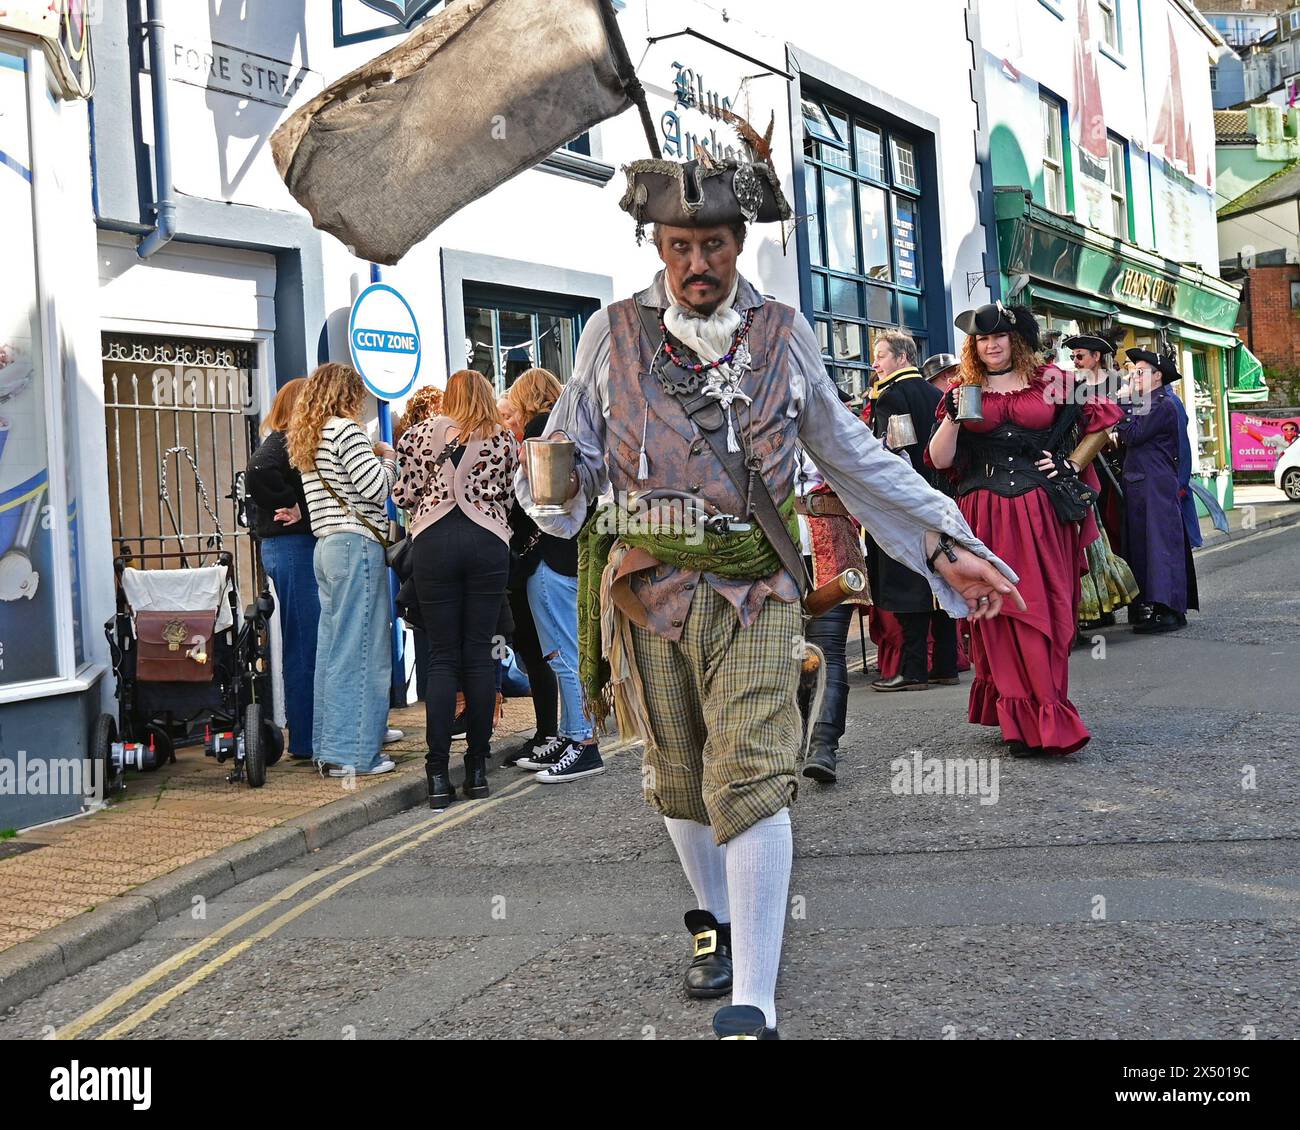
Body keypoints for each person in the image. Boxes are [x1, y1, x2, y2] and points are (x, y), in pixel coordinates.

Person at [517, 145, 1020, 1039]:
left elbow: (850, 454)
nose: (696, 264)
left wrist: (944, 544)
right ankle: (711, 922)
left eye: (712, 243)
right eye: (678, 245)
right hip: (646, 591)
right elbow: (572, 457)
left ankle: (756, 998)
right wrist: (550, 486)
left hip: (760, 586)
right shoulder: (610, 332)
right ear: (657, 243)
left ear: (738, 240)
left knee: (750, 774)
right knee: (677, 776)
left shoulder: (786, 333)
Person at [928, 302, 1119, 758]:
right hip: (984, 514)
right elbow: (940, 460)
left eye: (999, 336)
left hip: (1040, 511)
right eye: (981, 339)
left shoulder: (1052, 381)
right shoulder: (963, 389)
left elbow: (1104, 425)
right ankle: (1018, 722)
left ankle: (1050, 710)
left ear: (1016, 339)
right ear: (973, 346)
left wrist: (1071, 463)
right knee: (996, 611)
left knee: (1044, 608)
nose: (991, 345)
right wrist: (954, 416)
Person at [394, 369, 518, 809]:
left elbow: (404, 495)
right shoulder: (504, 439)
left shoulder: (417, 435)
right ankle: (478, 770)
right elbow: (508, 494)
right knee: (481, 655)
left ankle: (436, 777)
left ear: (450, 396)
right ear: (486, 394)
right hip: (488, 543)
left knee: (442, 657)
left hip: (434, 542)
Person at [288, 363, 398, 778]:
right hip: (356, 547)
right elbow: (375, 488)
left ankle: (331, 750)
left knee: (334, 652)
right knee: (364, 651)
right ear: (347, 394)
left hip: (326, 547)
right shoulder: (346, 431)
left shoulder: (310, 435)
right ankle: (356, 756)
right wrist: (388, 458)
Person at [506, 368, 605, 782]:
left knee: (561, 654)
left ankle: (583, 742)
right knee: (566, 651)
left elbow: (538, 503)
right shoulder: (570, 428)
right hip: (572, 554)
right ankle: (569, 735)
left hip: (551, 555)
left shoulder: (539, 429)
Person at [866, 330, 959, 692]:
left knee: (907, 581)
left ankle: (915, 669)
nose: (875, 362)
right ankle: (947, 664)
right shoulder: (937, 393)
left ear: (902, 358)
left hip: (906, 500)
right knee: (943, 574)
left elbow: (897, 451)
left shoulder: (891, 395)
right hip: (942, 496)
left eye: (881, 355)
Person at [247, 378, 319, 761]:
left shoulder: (286, 438)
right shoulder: (285, 437)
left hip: (286, 547)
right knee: (305, 642)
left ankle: (308, 736)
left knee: (303, 640)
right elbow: (257, 471)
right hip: (292, 547)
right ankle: (306, 740)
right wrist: (293, 504)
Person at [795, 435, 869, 785]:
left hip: (830, 540)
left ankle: (823, 744)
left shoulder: (829, 412)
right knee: (782, 650)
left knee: (827, 652)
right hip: (771, 540)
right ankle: (797, 735)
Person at [1115, 350, 1200, 634]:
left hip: (1155, 484)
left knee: (1160, 546)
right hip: (1149, 483)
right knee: (1155, 545)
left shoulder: (1159, 403)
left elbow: (1132, 435)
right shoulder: (1155, 401)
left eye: (1140, 372)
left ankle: (1168, 611)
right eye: (1133, 371)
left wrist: (1124, 401)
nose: (1133, 376)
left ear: (1157, 376)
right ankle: (1166, 608)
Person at [1062, 334, 1139, 631]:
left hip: (1116, 471)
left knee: (1121, 535)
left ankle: (1135, 603)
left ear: (1096, 357)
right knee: (1094, 540)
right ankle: (1101, 606)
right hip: (1085, 470)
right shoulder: (1073, 387)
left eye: (1080, 356)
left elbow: (1128, 422)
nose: (1075, 362)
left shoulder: (1119, 385)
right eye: (1073, 357)